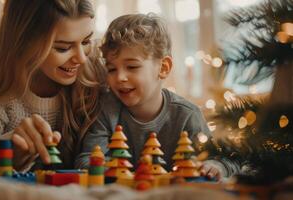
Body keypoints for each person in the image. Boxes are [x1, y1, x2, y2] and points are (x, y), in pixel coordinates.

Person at [76, 13, 240, 180]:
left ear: (163, 68)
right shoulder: (106, 110)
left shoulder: (187, 115)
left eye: (132, 67)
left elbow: (224, 160)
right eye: (111, 69)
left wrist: (214, 166)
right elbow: (86, 159)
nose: (119, 77)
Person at [0, 0, 106, 177]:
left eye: (86, 41)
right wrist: (12, 148)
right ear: (25, 40)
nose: (81, 58)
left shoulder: (98, 72)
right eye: (63, 48)